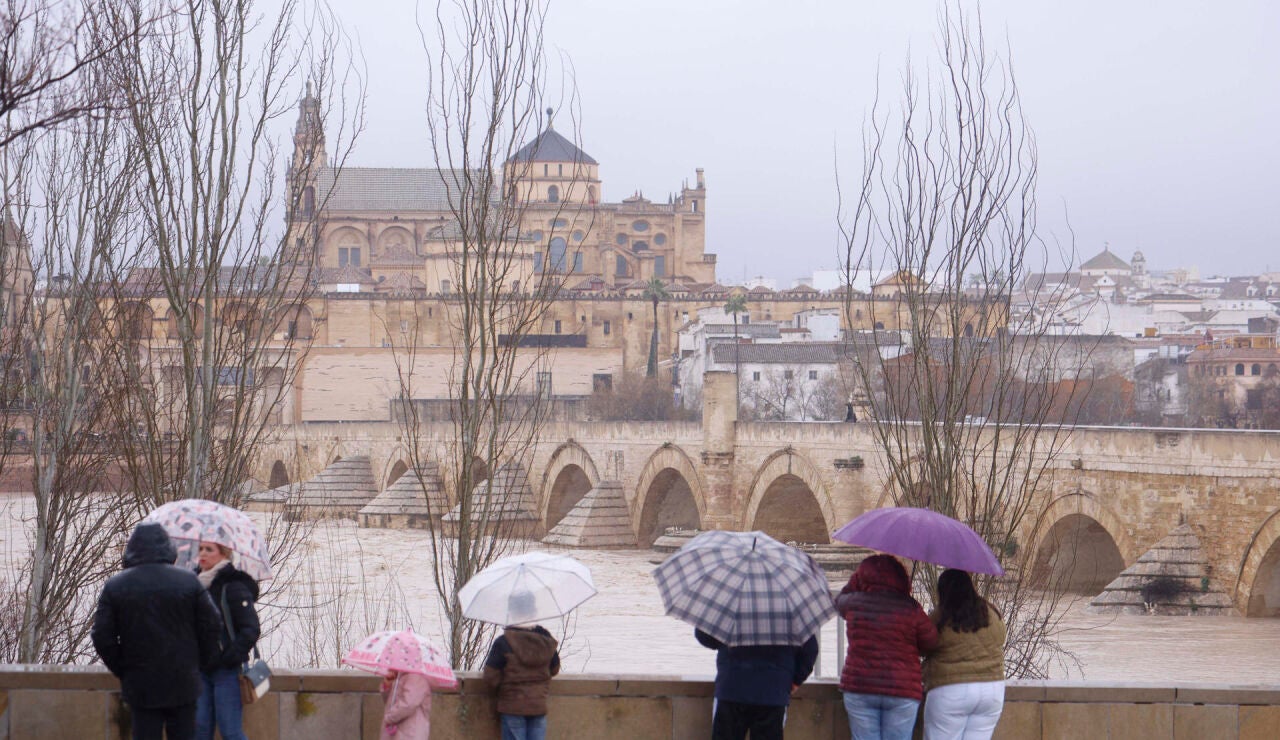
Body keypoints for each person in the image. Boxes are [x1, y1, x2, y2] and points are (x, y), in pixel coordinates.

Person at [91, 523, 223, 740]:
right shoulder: (189, 580)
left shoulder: (116, 585)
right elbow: (212, 625)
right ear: (168, 548)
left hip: (140, 683)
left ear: (132, 549)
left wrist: (123, 668)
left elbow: (102, 636)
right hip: (183, 681)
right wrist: (198, 663)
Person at [836, 554, 939, 740]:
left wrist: (855, 581)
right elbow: (931, 642)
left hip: (860, 685)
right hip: (903, 688)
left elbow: (839, 601)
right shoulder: (911, 608)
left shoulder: (854, 603)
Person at [922, 570, 1006, 740]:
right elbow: (1001, 638)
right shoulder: (991, 612)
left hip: (950, 690)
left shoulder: (940, 617)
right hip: (992, 690)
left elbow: (923, 646)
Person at [695, 628, 819, 740]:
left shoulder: (732, 606)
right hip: (773, 691)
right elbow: (810, 649)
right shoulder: (787, 609)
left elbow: (705, 637)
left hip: (731, 688)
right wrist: (796, 679)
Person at [194, 541, 261, 740]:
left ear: (223, 554)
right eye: (200, 549)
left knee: (230, 731)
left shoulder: (233, 586)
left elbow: (251, 628)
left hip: (227, 671)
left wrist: (229, 657)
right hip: (200, 669)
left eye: (209, 549)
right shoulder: (194, 586)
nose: (203, 554)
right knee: (200, 731)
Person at [482, 591, 561, 740]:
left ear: (511, 612)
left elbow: (490, 677)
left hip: (512, 706)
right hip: (538, 706)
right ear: (534, 611)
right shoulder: (546, 640)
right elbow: (555, 669)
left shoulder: (503, 642)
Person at [379, 668, 433, 739]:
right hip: (399, 731)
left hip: (410, 732)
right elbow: (391, 702)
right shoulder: (401, 676)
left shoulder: (416, 677)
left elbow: (408, 705)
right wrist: (388, 685)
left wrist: (389, 717)